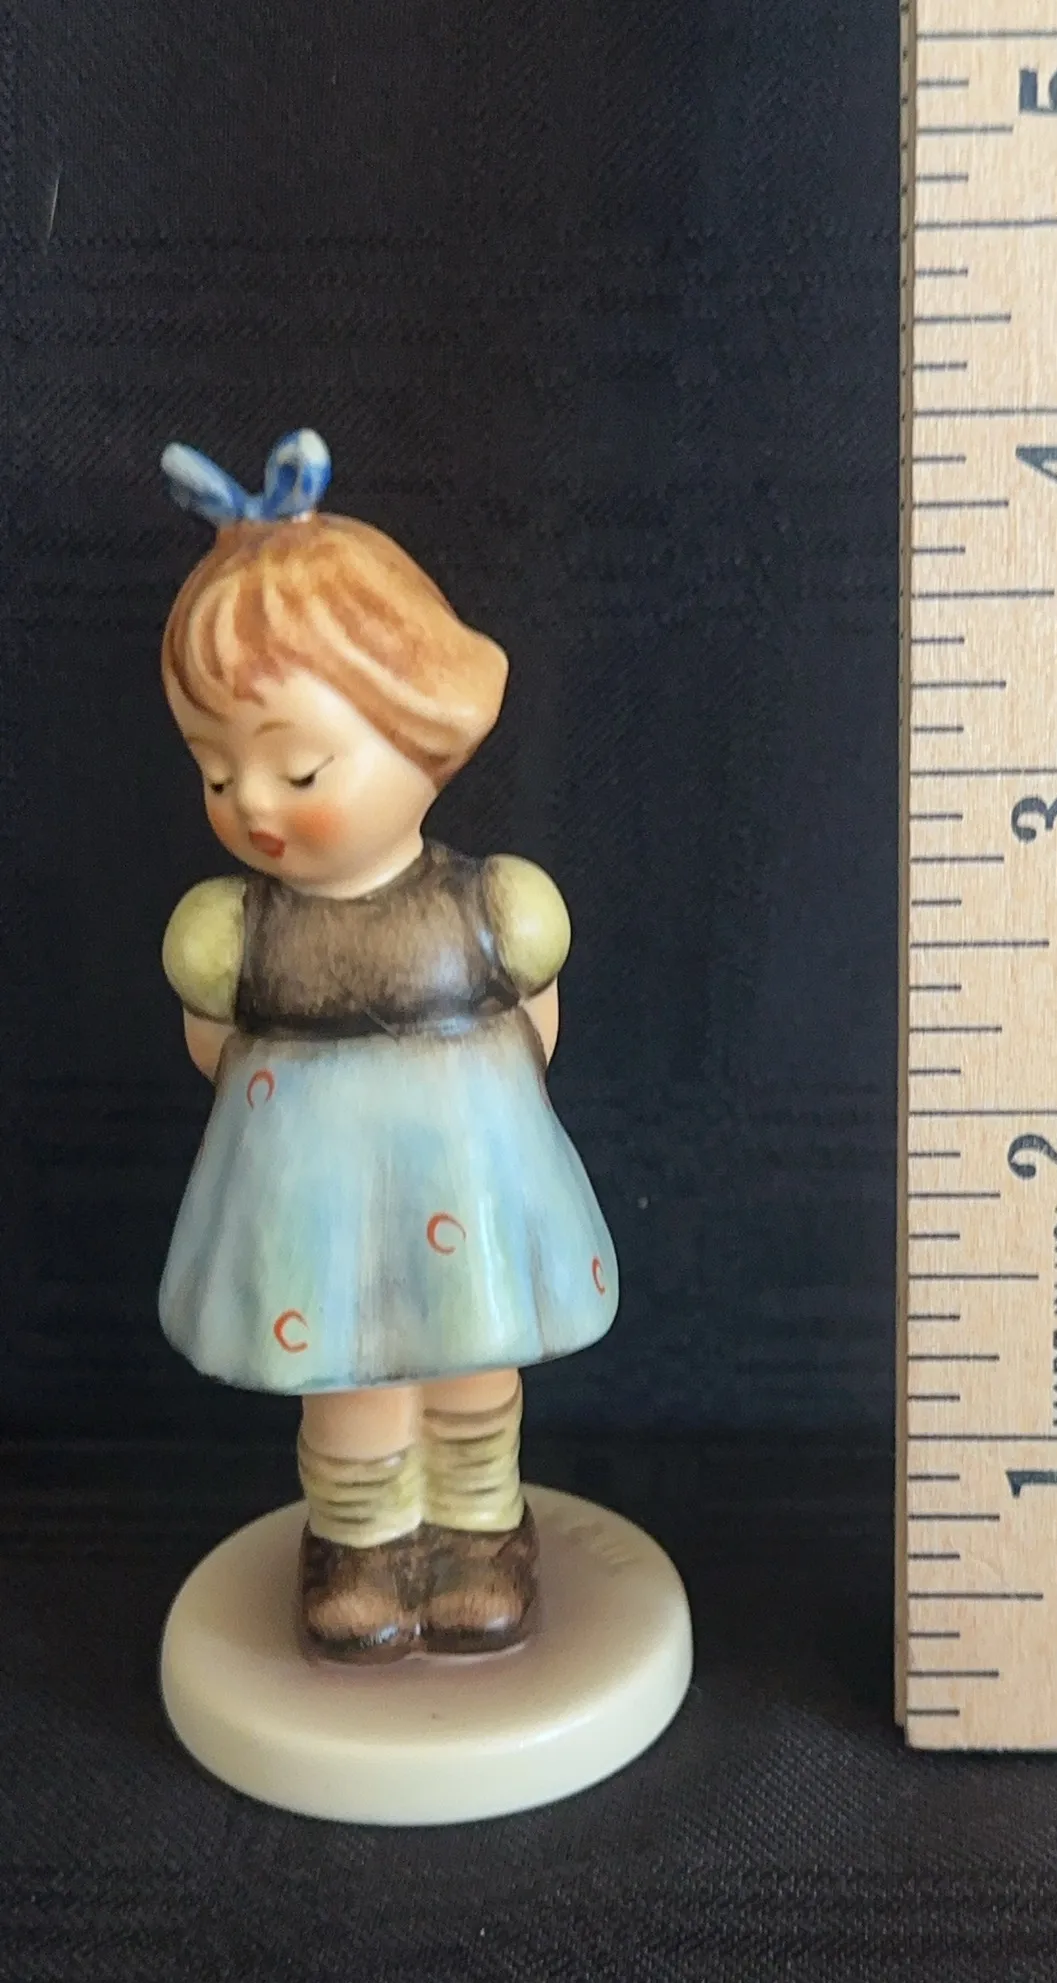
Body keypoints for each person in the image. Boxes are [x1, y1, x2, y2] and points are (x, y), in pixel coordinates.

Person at [156, 431, 617, 1663]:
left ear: (423, 728)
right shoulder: (236, 930)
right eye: (217, 773)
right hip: (313, 1210)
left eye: (298, 766)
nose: (253, 804)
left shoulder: (488, 907)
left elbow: (533, 1027)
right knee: (350, 1378)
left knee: (472, 1363)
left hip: (465, 1179)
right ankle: (359, 1544)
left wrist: (491, 1122)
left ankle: (479, 1531)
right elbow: (213, 1044)